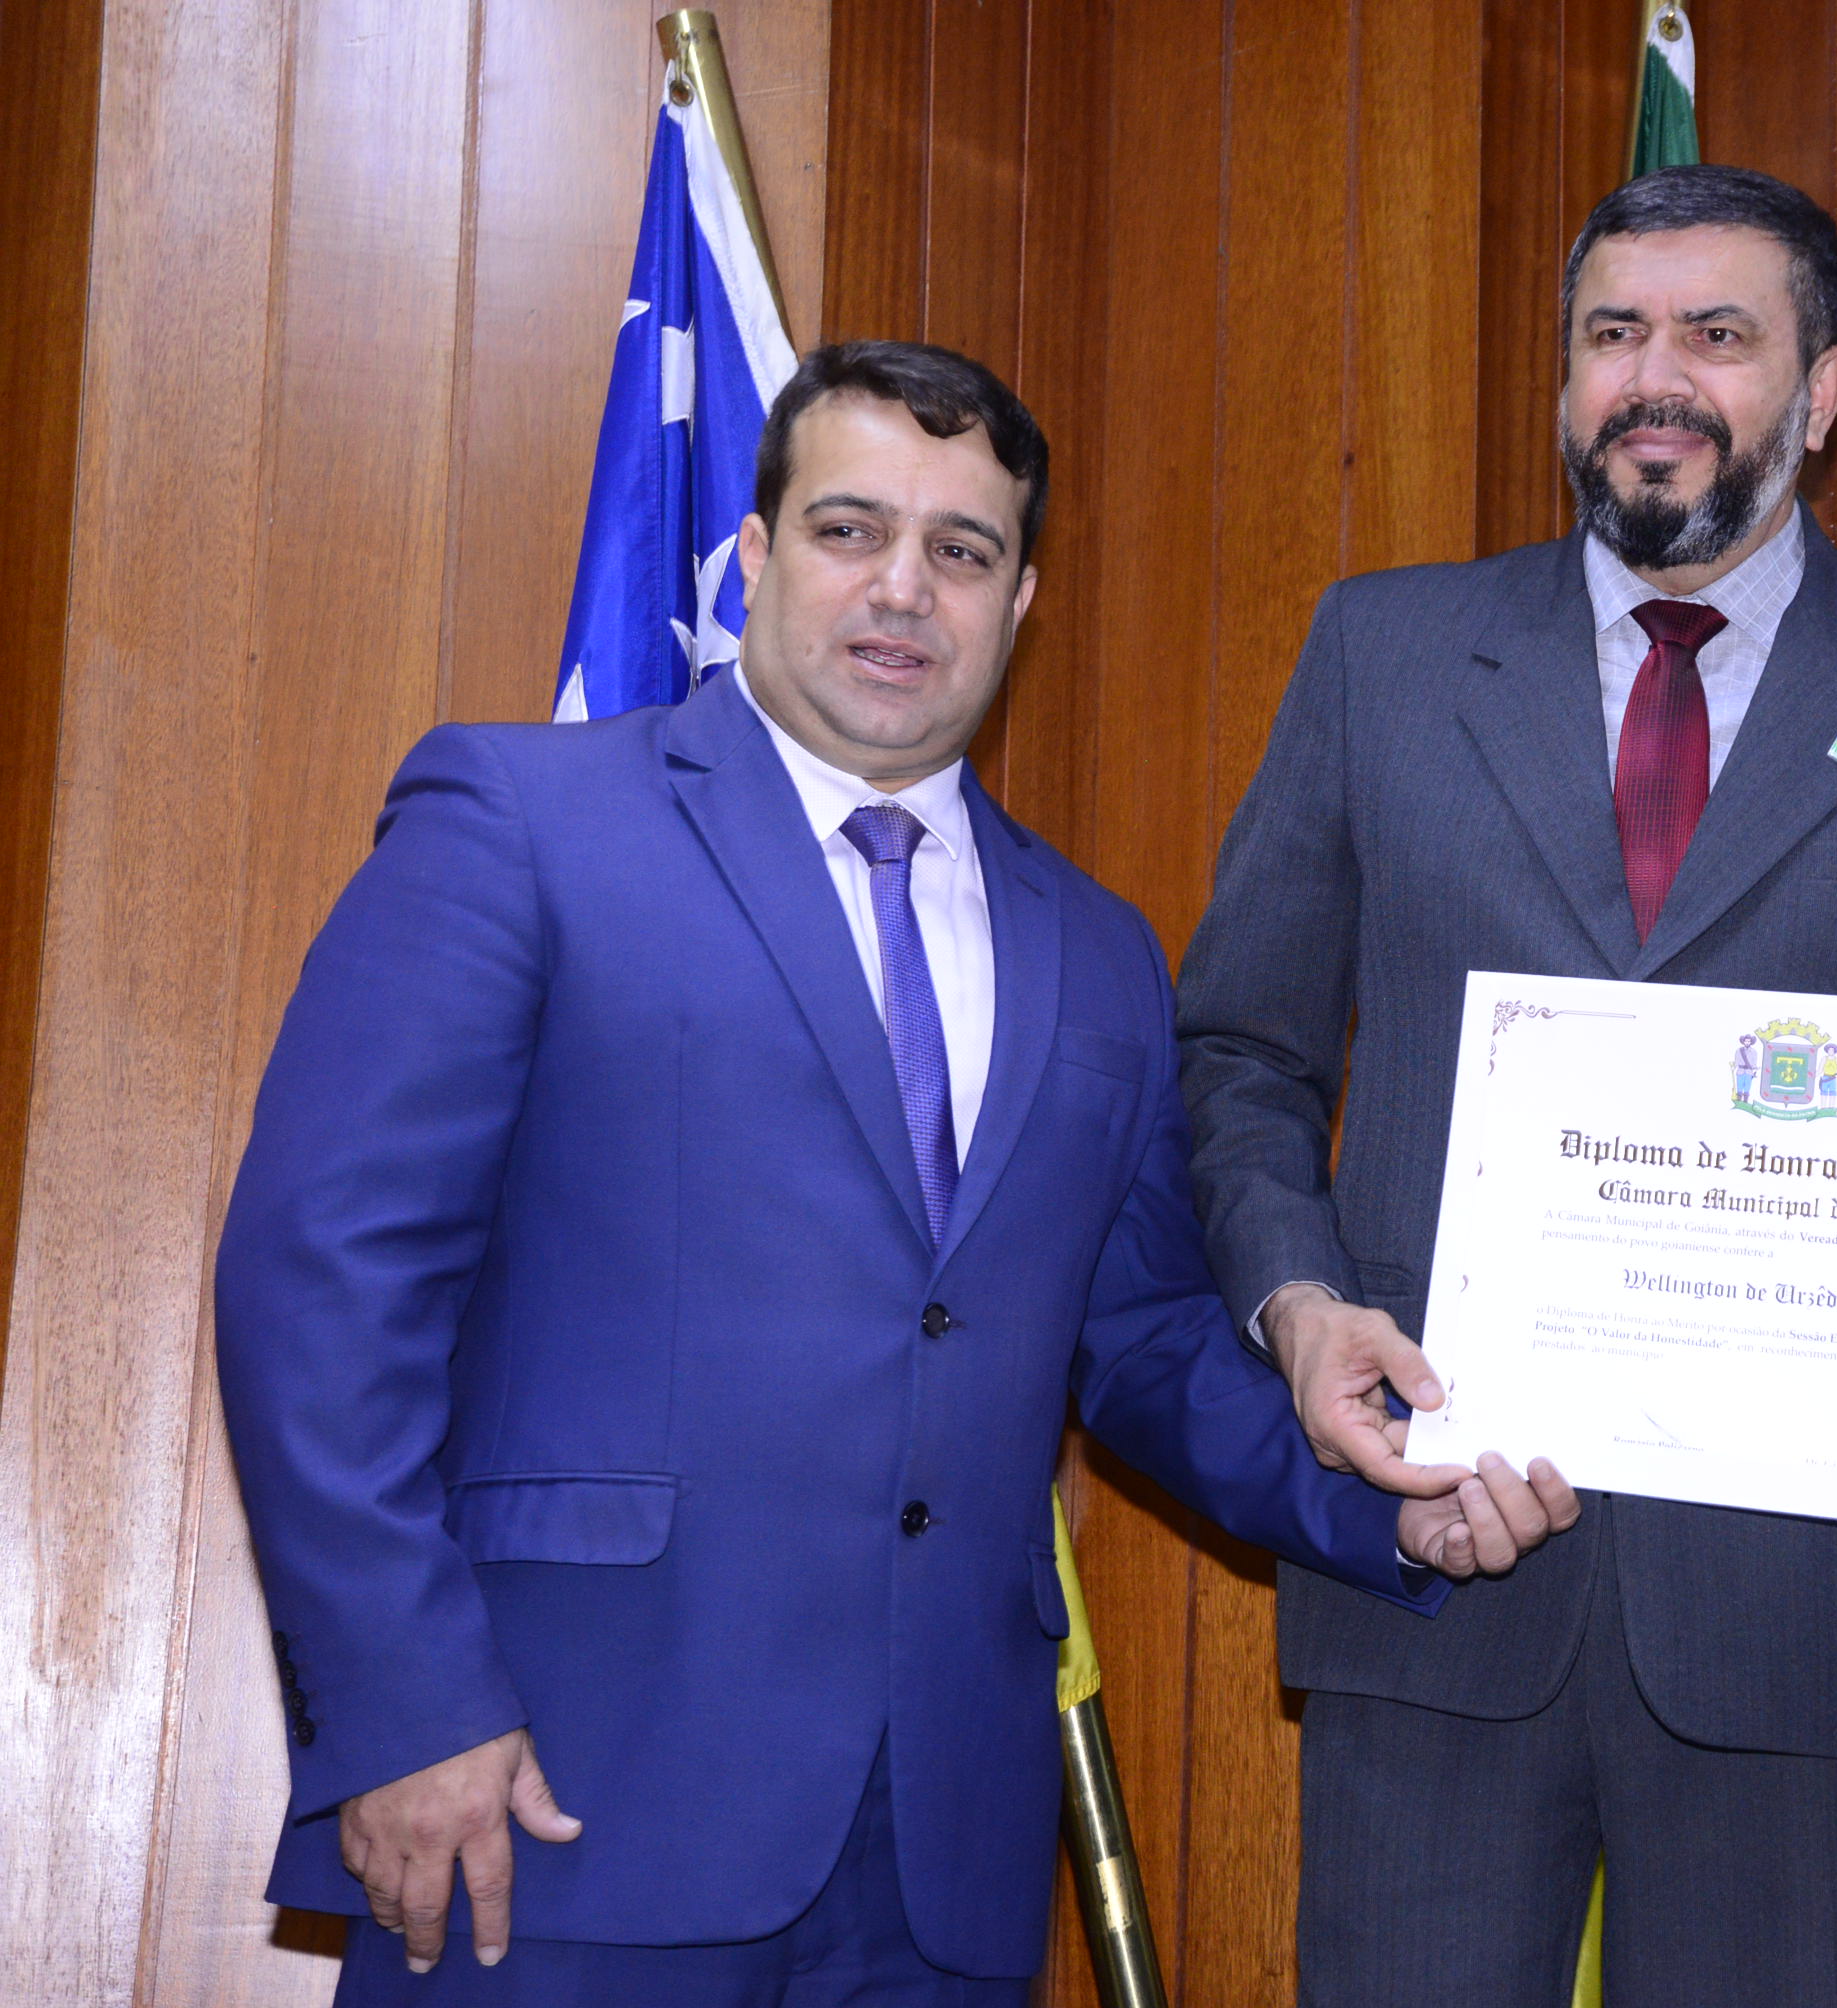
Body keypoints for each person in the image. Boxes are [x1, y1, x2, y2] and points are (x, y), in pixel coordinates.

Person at [214, 340, 1571, 2008]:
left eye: (962, 549)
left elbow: (1144, 1344)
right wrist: (406, 1707)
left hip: (936, 1867)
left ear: (1021, 604)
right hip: (556, 1810)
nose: (903, 588)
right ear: (754, 555)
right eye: (850, 529)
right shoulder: (520, 819)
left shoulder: (1100, 950)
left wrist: (1398, 1492)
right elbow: (321, 1283)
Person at [1175, 164, 1837, 2006]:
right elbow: (1244, 1050)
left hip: (1809, 1610)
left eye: (1717, 334)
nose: (1654, 377)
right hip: (1440, 1557)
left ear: (1823, 389)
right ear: (1566, 380)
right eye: (1613, 334)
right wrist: (1299, 1308)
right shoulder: (1383, 653)